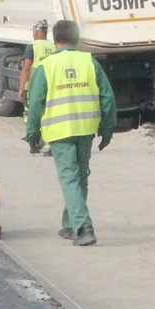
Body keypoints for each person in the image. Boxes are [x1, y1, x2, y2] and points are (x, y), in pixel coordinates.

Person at [23, 19, 116, 247]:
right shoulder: (89, 61)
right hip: (85, 129)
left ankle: (84, 228)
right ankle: (70, 225)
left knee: (69, 178)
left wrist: (32, 134)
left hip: (59, 131)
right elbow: (108, 98)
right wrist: (107, 130)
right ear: (77, 39)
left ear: (54, 40)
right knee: (80, 178)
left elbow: (35, 103)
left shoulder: (46, 66)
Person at [18, 19, 56, 154]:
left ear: (37, 32)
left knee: (30, 115)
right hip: (51, 86)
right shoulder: (53, 46)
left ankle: (33, 141)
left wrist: (21, 88)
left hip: (33, 86)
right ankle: (48, 144)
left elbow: (26, 68)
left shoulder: (32, 47)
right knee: (49, 115)